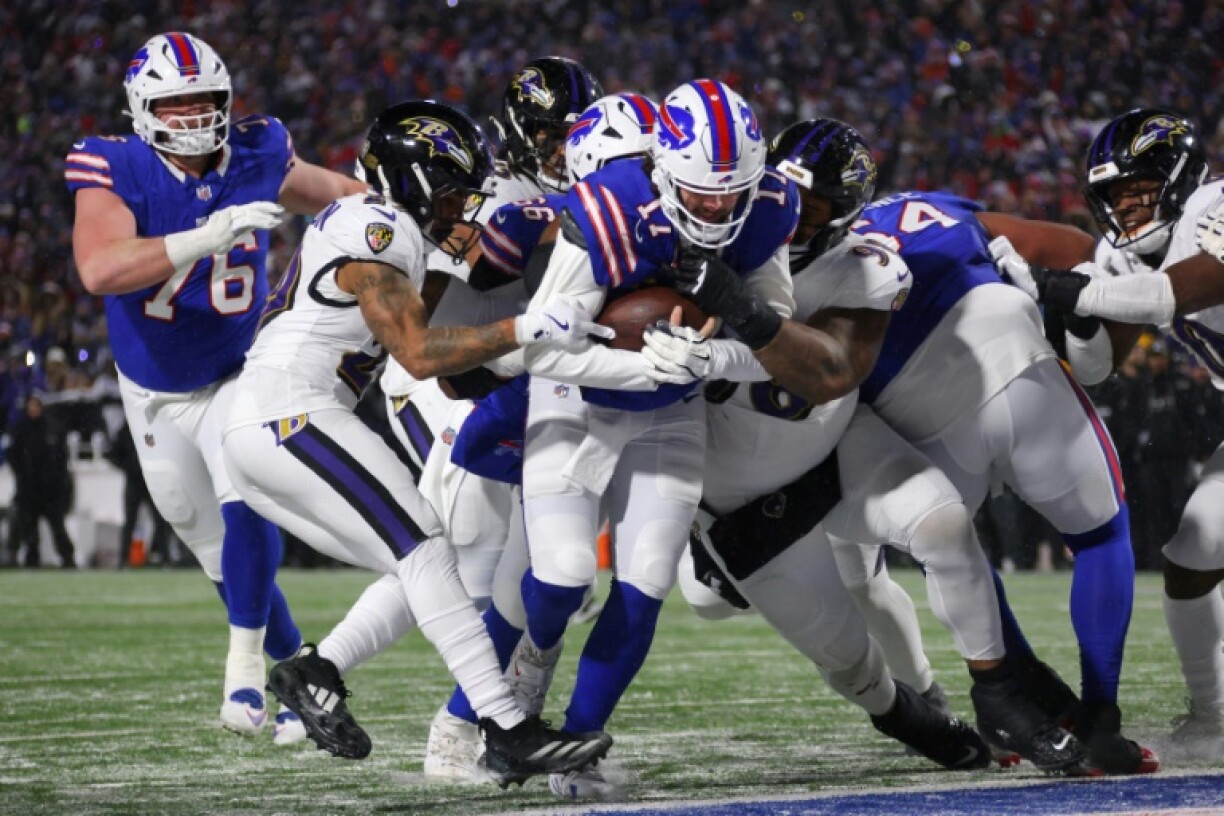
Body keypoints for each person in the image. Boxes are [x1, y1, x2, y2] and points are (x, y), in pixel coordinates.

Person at [675, 131, 1158, 777]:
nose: (793, 215)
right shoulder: (918, 219)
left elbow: (833, 373)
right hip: (979, 369)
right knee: (1084, 534)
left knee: (932, 542)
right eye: (786, 199)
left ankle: (999, 692)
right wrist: (1103, 345)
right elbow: (1074, 250)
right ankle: (1065, 709)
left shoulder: (848, 262)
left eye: (810, 207)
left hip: (873, 423)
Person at [220, 99, 614, 783]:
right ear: (417, 180)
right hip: (290, 412)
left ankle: (316, 671)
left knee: (422, 564)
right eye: (456, 190)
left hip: (269, 423)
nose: (463, 207)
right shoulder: (376, 226)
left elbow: (425, 333)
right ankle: (507, 727)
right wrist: (531, 327)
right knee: (426, 547)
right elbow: (419, 351)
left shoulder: (377, 225)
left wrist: (499, 325)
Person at [503, 79, 800, 798]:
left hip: (674, 407)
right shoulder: (608, 205)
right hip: (574, 396)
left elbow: (779, 333)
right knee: (567, 574)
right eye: (700, 195)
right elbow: (538, 350)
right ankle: (531, 665)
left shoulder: (765, 209)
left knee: (643, 585)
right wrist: (640, 362)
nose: (717, 210)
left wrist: (711, 359)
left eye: (731, 196)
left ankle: (579, 748)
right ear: (664, 170)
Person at [65, 32, 367, 740]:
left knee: (246, 499)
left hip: (238, 366)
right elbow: (100, 268)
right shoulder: (111, 163)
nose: (197, 113)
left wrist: (396, 215)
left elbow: (347, 197)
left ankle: (244, 674)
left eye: (206, 97)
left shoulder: (260, 149)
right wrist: (207, 234)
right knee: (207, 544)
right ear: (145, 108)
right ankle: (298, 670)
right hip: (152, 385)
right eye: (179, 101)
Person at [1001, 108, 1223, 756]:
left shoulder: (1213, 206)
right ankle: (1212, 716)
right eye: (1114, 195)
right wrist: (1071, 307)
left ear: (1178, 178)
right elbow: (1096, 365)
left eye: (1139, 188)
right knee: (1191, 555)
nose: (1126, 205)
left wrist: (1058, 284)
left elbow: (1170, 294)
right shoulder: (1124, 261)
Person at [6, 393, 76, 568]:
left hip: (51, 491)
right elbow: (13, 456)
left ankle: (67, 559)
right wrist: (22, 476)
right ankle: (32, 560)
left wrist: (58, 481)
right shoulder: (21, 430)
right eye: (31, 405)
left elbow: (61, 459)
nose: (33, 409)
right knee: (30, 530)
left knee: (58, 527)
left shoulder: (52, 428)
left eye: (36, 405)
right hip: (28, 490)